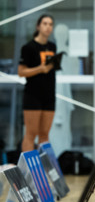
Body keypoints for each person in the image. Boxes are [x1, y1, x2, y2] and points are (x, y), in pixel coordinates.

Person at [17, 14, 56, 152]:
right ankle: (27, 170)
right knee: (31, 134)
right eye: (45, 23)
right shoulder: (29, 47)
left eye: (50, 24)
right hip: (33, 95)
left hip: (49, 95)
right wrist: (40, 69)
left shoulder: (52, 46)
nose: (48, 27)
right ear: (38, 26)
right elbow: (21, 72)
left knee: (44, 134)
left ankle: (44, 170)